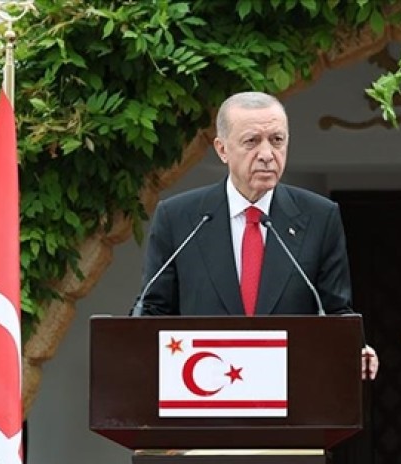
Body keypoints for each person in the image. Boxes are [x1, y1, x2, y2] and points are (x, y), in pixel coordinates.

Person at [135, 91, 378, 380]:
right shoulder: (179, 217)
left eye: (277, 140)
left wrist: (354, 347)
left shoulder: (319, 217)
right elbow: (153, 310)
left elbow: (335, 310)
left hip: (290, 387)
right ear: (222, 149)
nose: (266, 154)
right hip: (203, 386)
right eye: (251, 141)